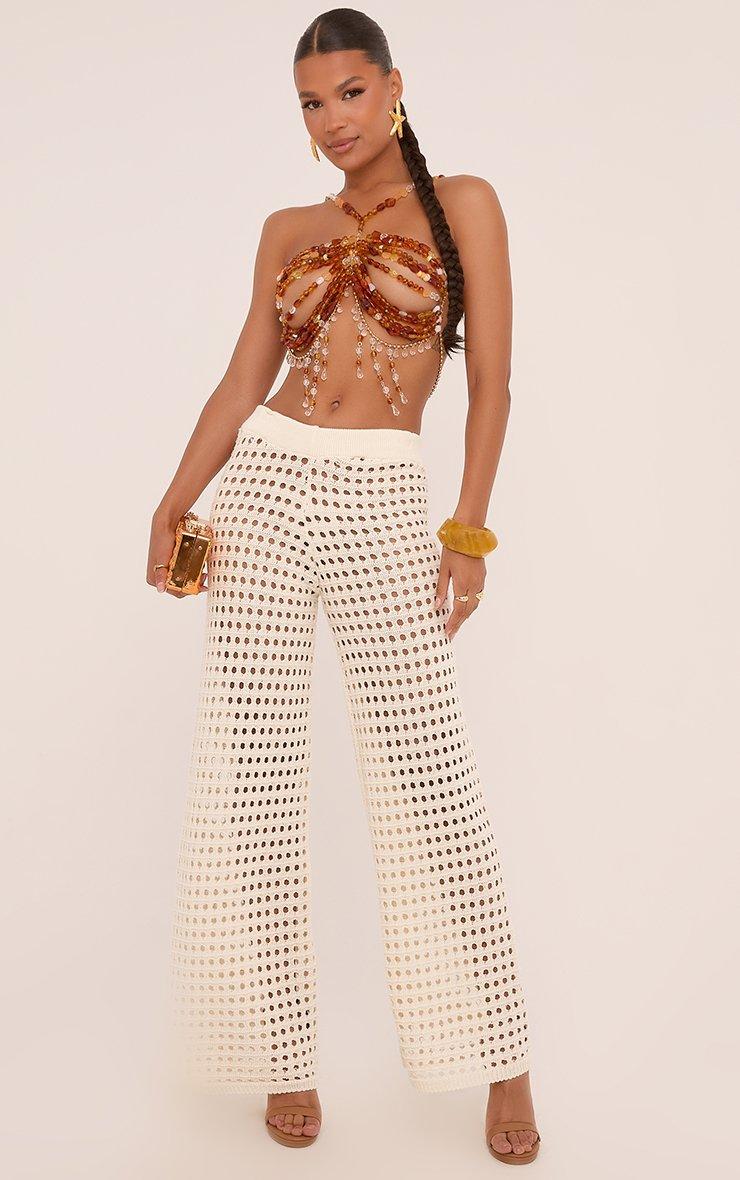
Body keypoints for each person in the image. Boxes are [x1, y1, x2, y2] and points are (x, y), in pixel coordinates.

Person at [147, 7, 541, 1165]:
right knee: (257, 779)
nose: (331, 120)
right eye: (311, 103)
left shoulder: (463, 202)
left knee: (430, 783)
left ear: (394, 86)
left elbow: (491, 382)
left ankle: (503, 1056)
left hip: (380, 496)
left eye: (350, 93)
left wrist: (465, 532)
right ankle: (283, 1048)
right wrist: (175, 499)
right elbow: (241, 381)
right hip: (265, 491)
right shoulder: (287, 227)